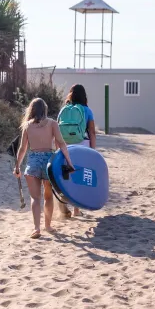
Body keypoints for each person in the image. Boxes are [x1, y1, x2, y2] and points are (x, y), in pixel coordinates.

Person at [14, 98, 74, 239]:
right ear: (45, 109)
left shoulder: (27, 126)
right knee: (48, 197)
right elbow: (61, 143)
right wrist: (69, 162)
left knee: (35, 198)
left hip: (33, 162)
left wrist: (17, 166)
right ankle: (47, 225)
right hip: (49, 162)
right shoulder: (53, 123)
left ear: (31, 110)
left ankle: (36, 228)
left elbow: (22, 149)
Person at [57, 84, 97, 217]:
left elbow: (58, 130)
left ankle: (63, 201)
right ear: (84, 95)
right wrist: (93, 151)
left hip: (65, 145)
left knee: (65, 175)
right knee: (78, 177)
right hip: (82, 145)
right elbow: (92, 132)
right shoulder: (87, 110)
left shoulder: (64, 109)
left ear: (70, 95)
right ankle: (76, 210)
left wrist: (58, 148)